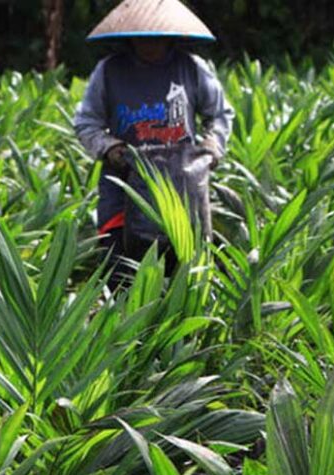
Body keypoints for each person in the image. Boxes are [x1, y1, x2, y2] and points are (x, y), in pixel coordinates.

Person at [74, 0, 234, 283]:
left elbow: (220, 114)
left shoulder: (191, 68)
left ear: (170, 35)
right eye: (142, 36)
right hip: (123, 189)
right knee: (121, 273)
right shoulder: (109, 71)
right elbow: (87, 122)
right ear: (129, 35)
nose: (149, 42)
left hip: (181, 189)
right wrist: (109, 148)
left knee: (183, 273)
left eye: (156, 36)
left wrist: (213, 144)